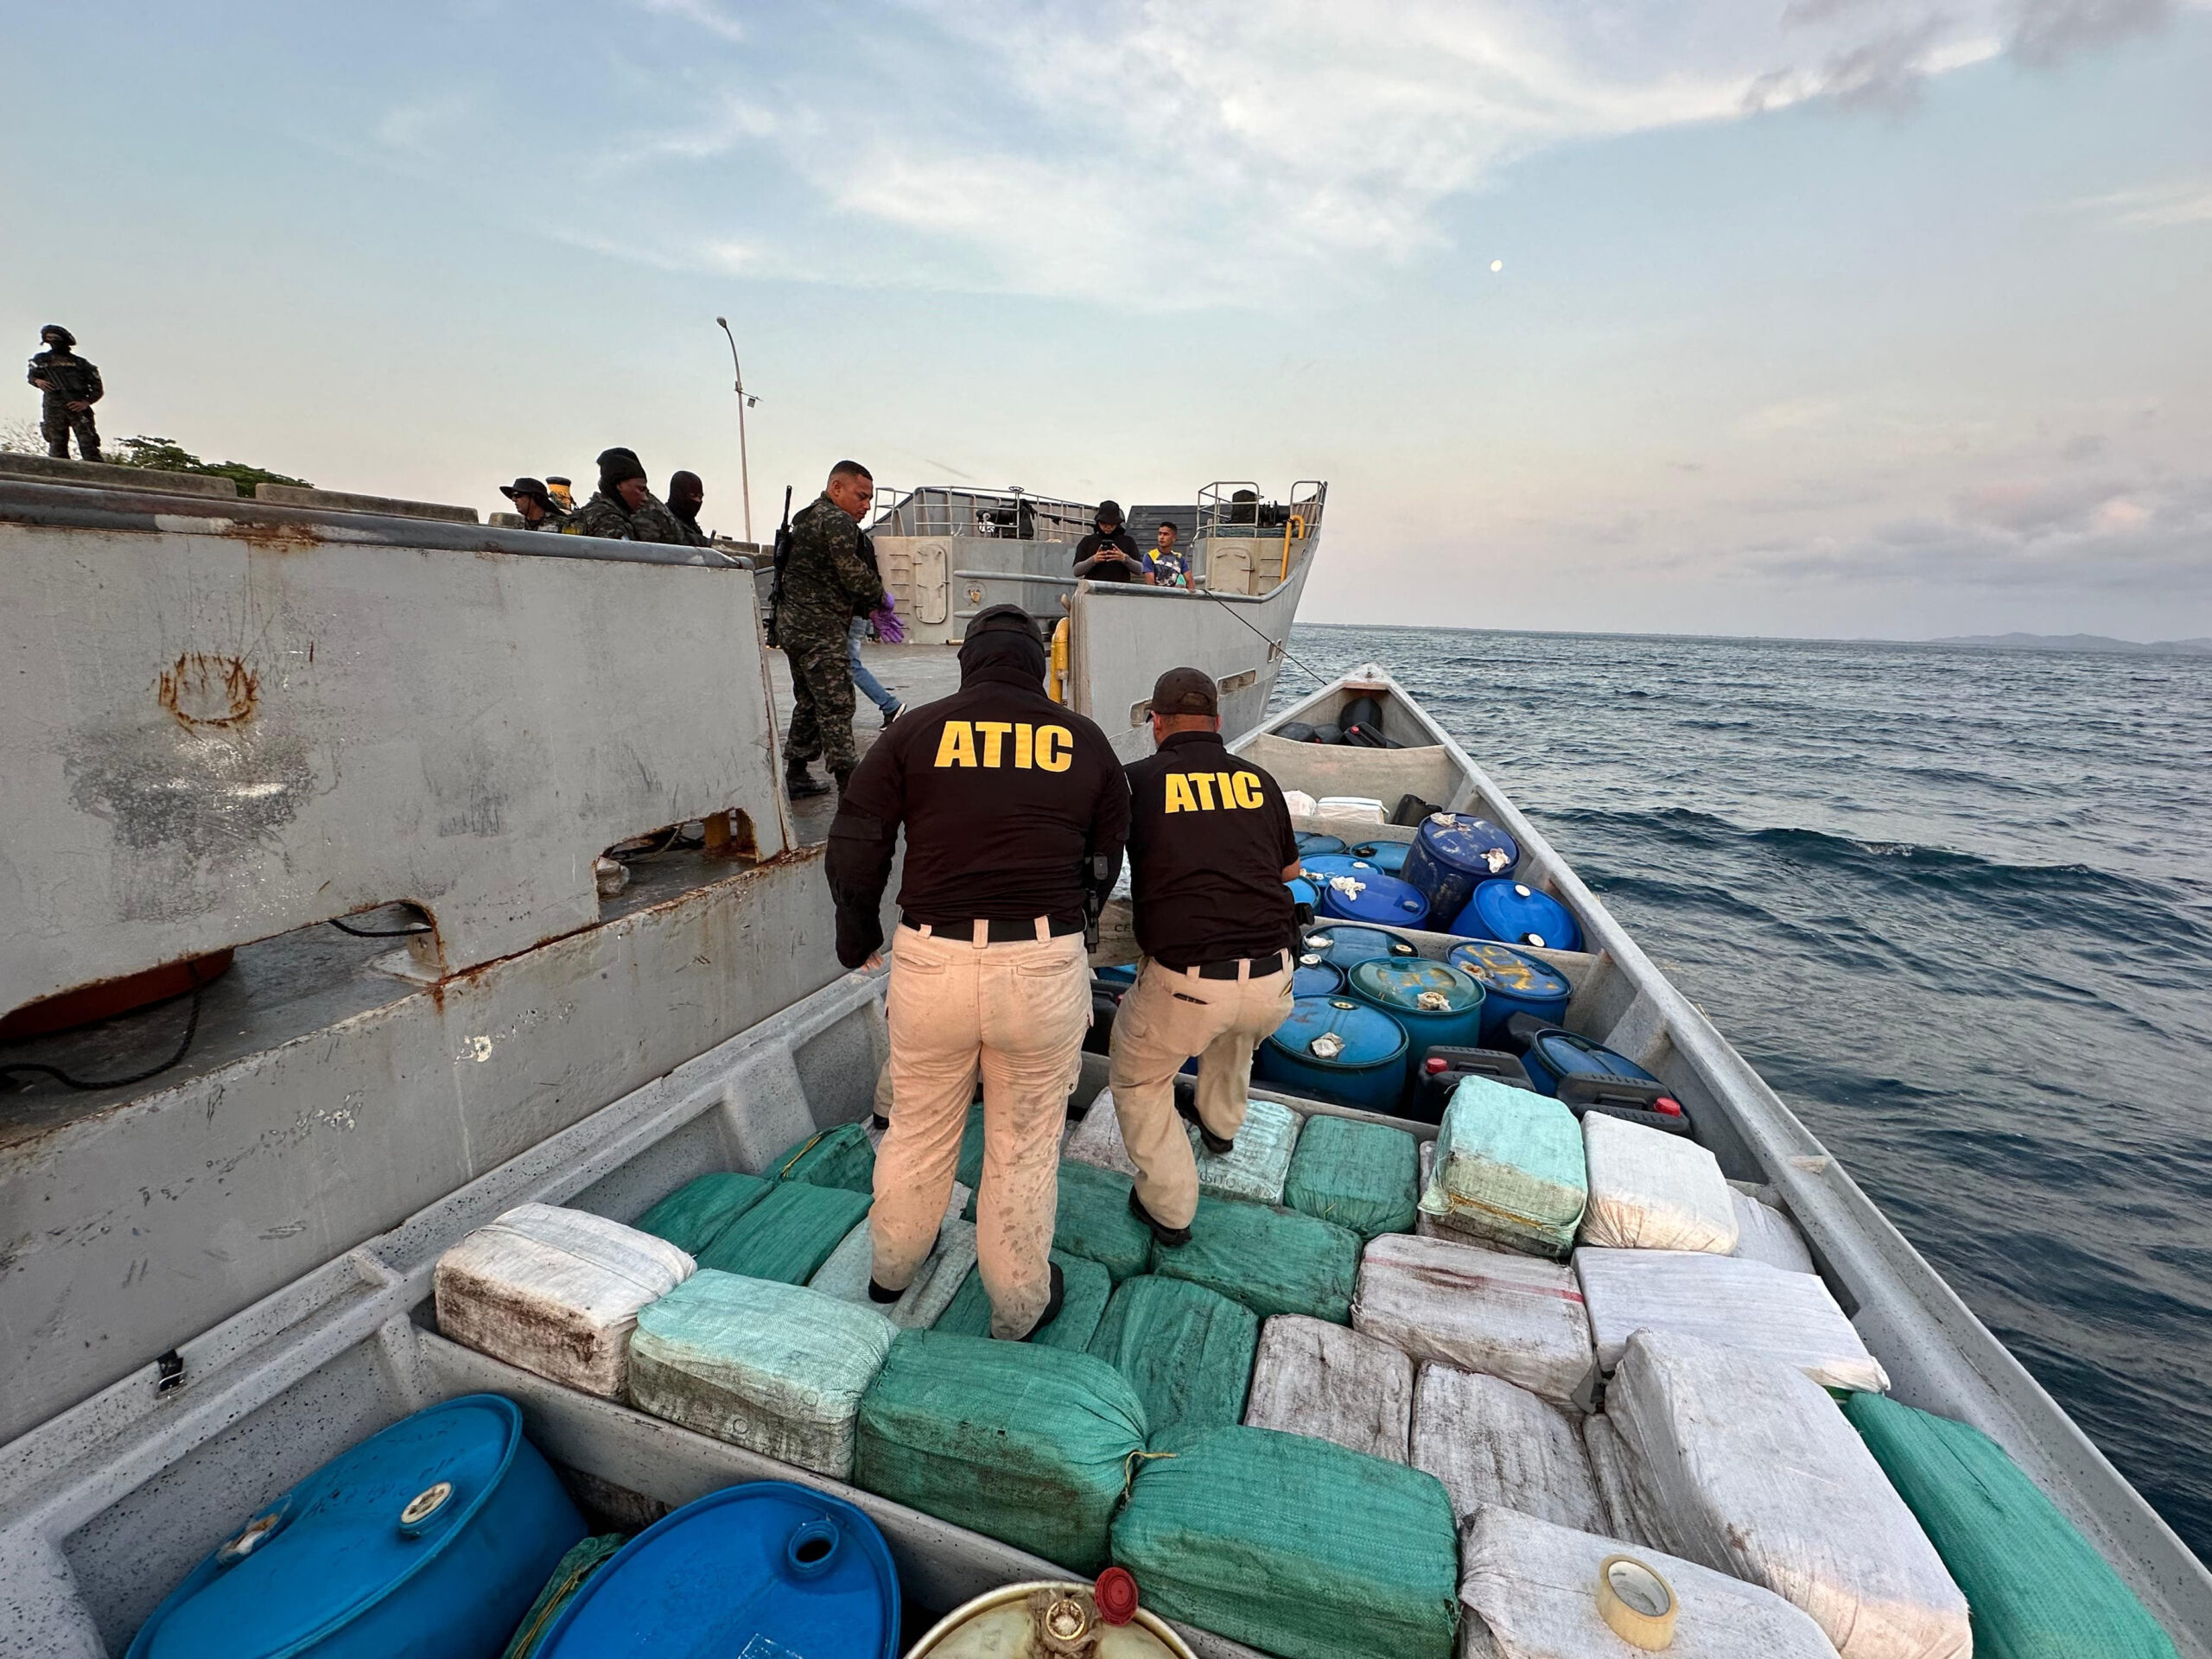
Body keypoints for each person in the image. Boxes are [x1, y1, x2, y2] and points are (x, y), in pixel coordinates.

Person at [827, 605, 1129, 1339]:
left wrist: (856, 934)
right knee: (1023, 1144)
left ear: (970, 663)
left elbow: (857, 839)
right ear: (1035, 664)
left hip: (932, 959)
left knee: (921, 1127)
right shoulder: (1083, 740)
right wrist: (1079, 922)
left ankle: (891, 1268)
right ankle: (1020, 1305)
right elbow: (1106, 857)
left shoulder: (914, 730)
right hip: (1041, 963)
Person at [1108, 666, 1300, 1247]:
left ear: (1156, 725)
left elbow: (1096, 859)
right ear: (1218, 723)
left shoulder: (1135, 781)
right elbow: (1290, 871)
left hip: (1189, 982)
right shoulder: (1259, 779)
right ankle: (1220, 1128)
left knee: (1139, 1079)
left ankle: (1169, 1209)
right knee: (1235, 1034)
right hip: (1274, 978)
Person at [780, 460, 892, 798]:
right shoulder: (836, 521)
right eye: (861, 496)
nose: (867, 506)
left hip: (793, 627)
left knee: (810, 702)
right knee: (837, 704)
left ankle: (797, 772)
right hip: (820, 630)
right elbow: (853, 573)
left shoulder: (807, 518)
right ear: (836, 488)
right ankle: (849, 785)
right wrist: (880, 599)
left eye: (869, 498)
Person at [565, 448, 686, 543]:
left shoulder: (590, 512)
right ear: (619, 485)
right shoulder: (611, 521)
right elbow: (620, 568)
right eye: (640, 489)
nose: (644, 498)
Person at [27, 325, 103, 461]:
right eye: (49, 340)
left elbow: (97, 388)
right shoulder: (42, 360)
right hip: (54, 406)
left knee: (88, 444)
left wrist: (85, 403)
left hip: (77, 405)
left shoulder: (80, 363)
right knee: (57, 444)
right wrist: (38, 381)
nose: (53, 343)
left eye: (55, 339)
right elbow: (32, 376)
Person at [1071, 500, 1152, 584]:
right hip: (1094, 590)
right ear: (1098, 522)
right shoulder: (1088, 541)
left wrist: (1125, 559)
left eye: (1112, 524)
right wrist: (1093, 559)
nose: (1108, 527)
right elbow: (1076, 571)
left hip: (1120, 590)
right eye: (1104, 524)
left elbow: (1140, 570)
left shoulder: (1128, 541)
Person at [499, 475, 569, 532]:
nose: (513, 499)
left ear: (535, 497)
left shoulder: (562, 524)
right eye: (512, 496)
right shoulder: (516, 525)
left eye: (518, 495)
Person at [666, 469, 710, 547]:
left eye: (700, 497)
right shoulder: (664, 520)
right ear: (678, 495)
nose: (697, 501)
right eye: (692, 496)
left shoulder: (692, 525)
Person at [1147, 519, 1188, 587]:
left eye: (1165, 534)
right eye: (1160, 534)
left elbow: (1190, 581)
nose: (1161, 537)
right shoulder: (1150, 556)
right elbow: (1150, 584)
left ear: (1174, 538)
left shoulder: (1180, 559)